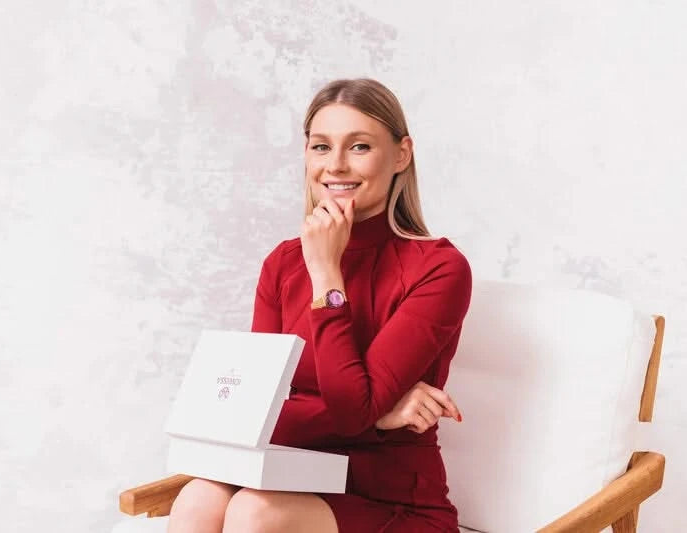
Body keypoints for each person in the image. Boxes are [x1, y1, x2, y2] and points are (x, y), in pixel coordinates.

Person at [168, 78, 472, 532]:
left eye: (360, 146)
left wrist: (327, 273)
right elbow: (252, 415)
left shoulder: (439, 269)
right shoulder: (283, 264)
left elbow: (351, 410)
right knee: (197, 498)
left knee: (256, 513)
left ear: (401, 155)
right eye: (321, 147)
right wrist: (382, 415)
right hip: (289, 476)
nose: (336, 165)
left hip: (391, 501)